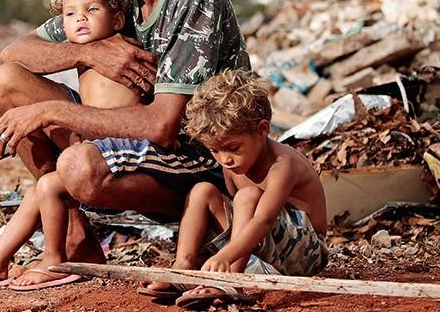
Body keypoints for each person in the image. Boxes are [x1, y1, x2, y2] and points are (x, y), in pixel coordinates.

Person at [0, 0, 251, 264]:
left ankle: (202, 232)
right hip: (128, 145)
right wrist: (88, 51)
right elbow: (12, 53)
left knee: (78, 167)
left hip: (196, 161)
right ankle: (78, 240)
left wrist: (50, 112)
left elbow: (163, 126)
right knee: (4, 83)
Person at [0, 0, 139, 291]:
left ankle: (54, 256)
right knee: (40, 190)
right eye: (70, 14)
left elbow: (124, 115)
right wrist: (81, 56)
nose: (80, 18)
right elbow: (12, 52)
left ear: (118, 19)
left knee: (47, 187)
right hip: (91, 136)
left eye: (91, 10)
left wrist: (82, 134)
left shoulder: (124, 49)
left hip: (120, 147)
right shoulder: (85, 41)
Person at [140, 71, 328, 308]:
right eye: (215, 151)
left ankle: (231, 282)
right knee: (202, 191)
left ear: (262, 130)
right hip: (264, 246)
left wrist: (225, 257)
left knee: (247, 196)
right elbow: (237, 218)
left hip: (306, 253)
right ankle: (183, 270)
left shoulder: (283, 165)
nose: (225, 159)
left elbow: (263, 219)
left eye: (232, 147)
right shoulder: (234, 164)